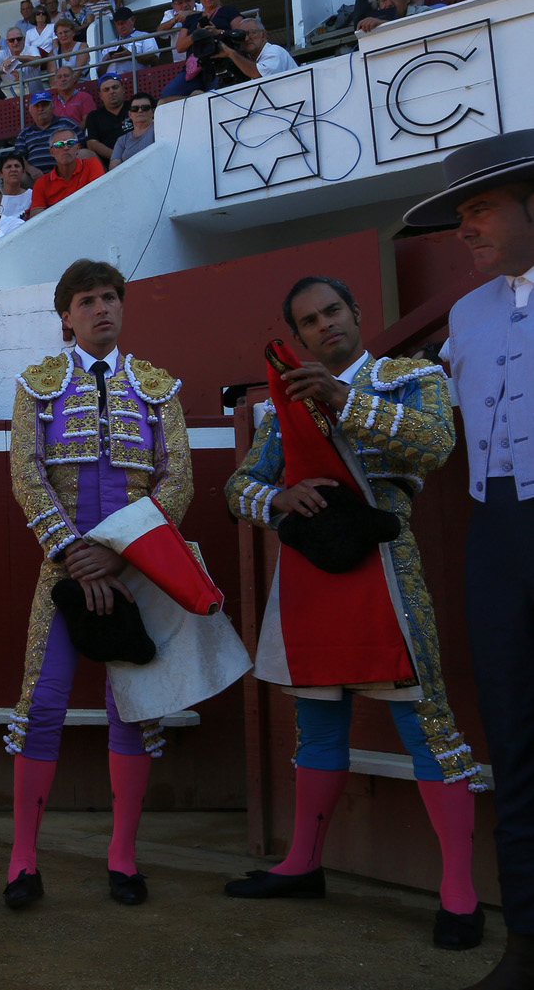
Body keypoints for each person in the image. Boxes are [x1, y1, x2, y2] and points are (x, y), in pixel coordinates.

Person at [221, 275, 485, 949]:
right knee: (317, 723)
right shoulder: (288, 404)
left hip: (388, 568)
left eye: (332, 311)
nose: (324, 326)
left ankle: (460, 891)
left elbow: (434, 445)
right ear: (300, 334)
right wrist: (278, 500)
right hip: (312, 575)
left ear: (356, 313)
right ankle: (303, 863)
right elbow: (237, 487)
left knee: (426, 721)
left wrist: (342, 397)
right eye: (309, 321)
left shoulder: (407, 377)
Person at [3, 258, 192, 911]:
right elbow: (26, 473)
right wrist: (75, 553)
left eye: (111, 297)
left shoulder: (159, 386)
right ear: (65, 316)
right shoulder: (39, 383)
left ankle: (123, 854)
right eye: (87, 300)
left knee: (132, 709)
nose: (102, 308)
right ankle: (23, 858)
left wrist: (119, 555)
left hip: (136, 571)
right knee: (45, 702)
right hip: (64, 571)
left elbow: (178, 480)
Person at [403, 128, 534, 990]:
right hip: (499, 536)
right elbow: (434, 420)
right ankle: (528, 938)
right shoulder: (471, 313)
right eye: (460, 214)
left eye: (479, 208)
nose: (465, 229)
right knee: (516, 739)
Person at [27, 131, 104, 217]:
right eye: (59, 145)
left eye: (70, 143)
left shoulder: (92, 165)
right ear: (51, 152)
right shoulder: (41, 183)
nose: (66, 148)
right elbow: (36, 220)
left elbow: (99, 198)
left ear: (78, 148)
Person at [15, 93, 80, 175]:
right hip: (35, 178)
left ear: (53, 107)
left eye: (44, 105)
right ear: (30, 111)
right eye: (37, 106)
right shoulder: (25, 133)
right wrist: (30, 169)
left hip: (68, 171)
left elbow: (81, 147)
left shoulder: (66, 123)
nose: (40, 109)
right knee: (18, 174)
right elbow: (18, 157)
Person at [83, 74, 132, 168]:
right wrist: (117, 156)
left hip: (139, 155)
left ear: (123, 89)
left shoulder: (136, 107)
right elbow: (92, 143)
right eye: (106, 89)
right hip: (108, 165)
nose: (111, 92)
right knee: (84, 153)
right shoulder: (94, 116)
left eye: (115, 87)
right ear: (100, 95)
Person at [110, 91, 156, 167]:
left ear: (153, 112)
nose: (140, 111)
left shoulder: (160, 130)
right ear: (130, 114)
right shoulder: (122, 140)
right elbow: (114, 166)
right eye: (135, 108)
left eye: (145, 108)